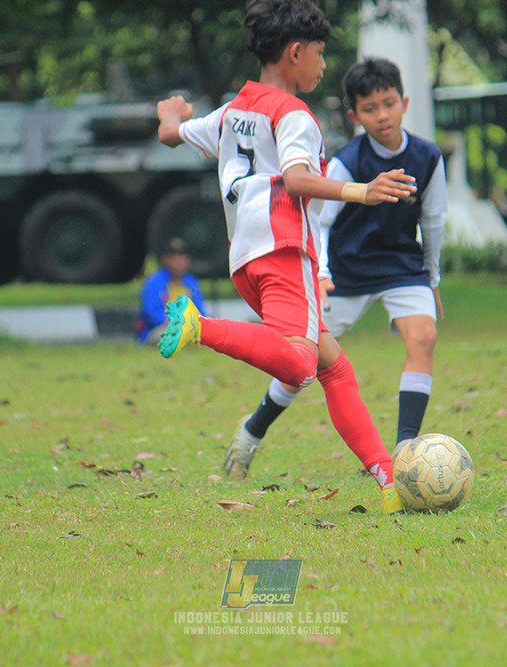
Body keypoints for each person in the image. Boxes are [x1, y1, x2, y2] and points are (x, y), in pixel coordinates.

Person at [155, 0, 417, 514]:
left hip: (245, 259)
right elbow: (296, 180)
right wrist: (363, 191)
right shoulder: (294, 114)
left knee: (332, 368)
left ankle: (388, 481)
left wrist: (172, 112)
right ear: (295, 53)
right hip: (282, 247)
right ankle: (198, 327)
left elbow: (171, 133)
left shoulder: (235, 110)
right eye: (320, 54)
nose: (323, 66)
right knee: (298, 364)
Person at [225, 57, 447, 474]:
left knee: (424, 335)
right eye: (369, 108)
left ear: (405, 102)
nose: (381, 115)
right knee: (303, 363)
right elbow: (320, 220)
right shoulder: (347, 162)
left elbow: (433, 221)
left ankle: (405, 452)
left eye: (389, 103)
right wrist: (321, 272)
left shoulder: (429, 157)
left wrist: (432, 277)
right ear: (354, 115)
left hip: (403, 268)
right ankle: (253, 430)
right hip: (342, 272)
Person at [136, 238, 207, 345]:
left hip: (188, 327)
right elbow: (153, 313)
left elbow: (200, 309)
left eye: (183, 257)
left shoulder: (191, 282)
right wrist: (177, 323)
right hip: (162, 328)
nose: (180, 261)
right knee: (167, 336)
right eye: (175, 258)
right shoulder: (155, 282)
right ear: (165, 260)